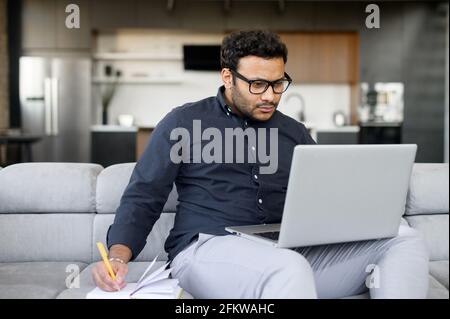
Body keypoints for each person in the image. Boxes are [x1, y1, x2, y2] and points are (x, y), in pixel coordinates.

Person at [92, 30, 429, 299]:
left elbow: (321, 199)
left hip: (290, 252)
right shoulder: (184, 123)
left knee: (404, 239)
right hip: (207, 249)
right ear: (228, 76)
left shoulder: (294, 132)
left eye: (278, 83)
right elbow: (143, 197)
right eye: (257, 85)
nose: (270, 95)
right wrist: (118, 257)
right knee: (287, 268)